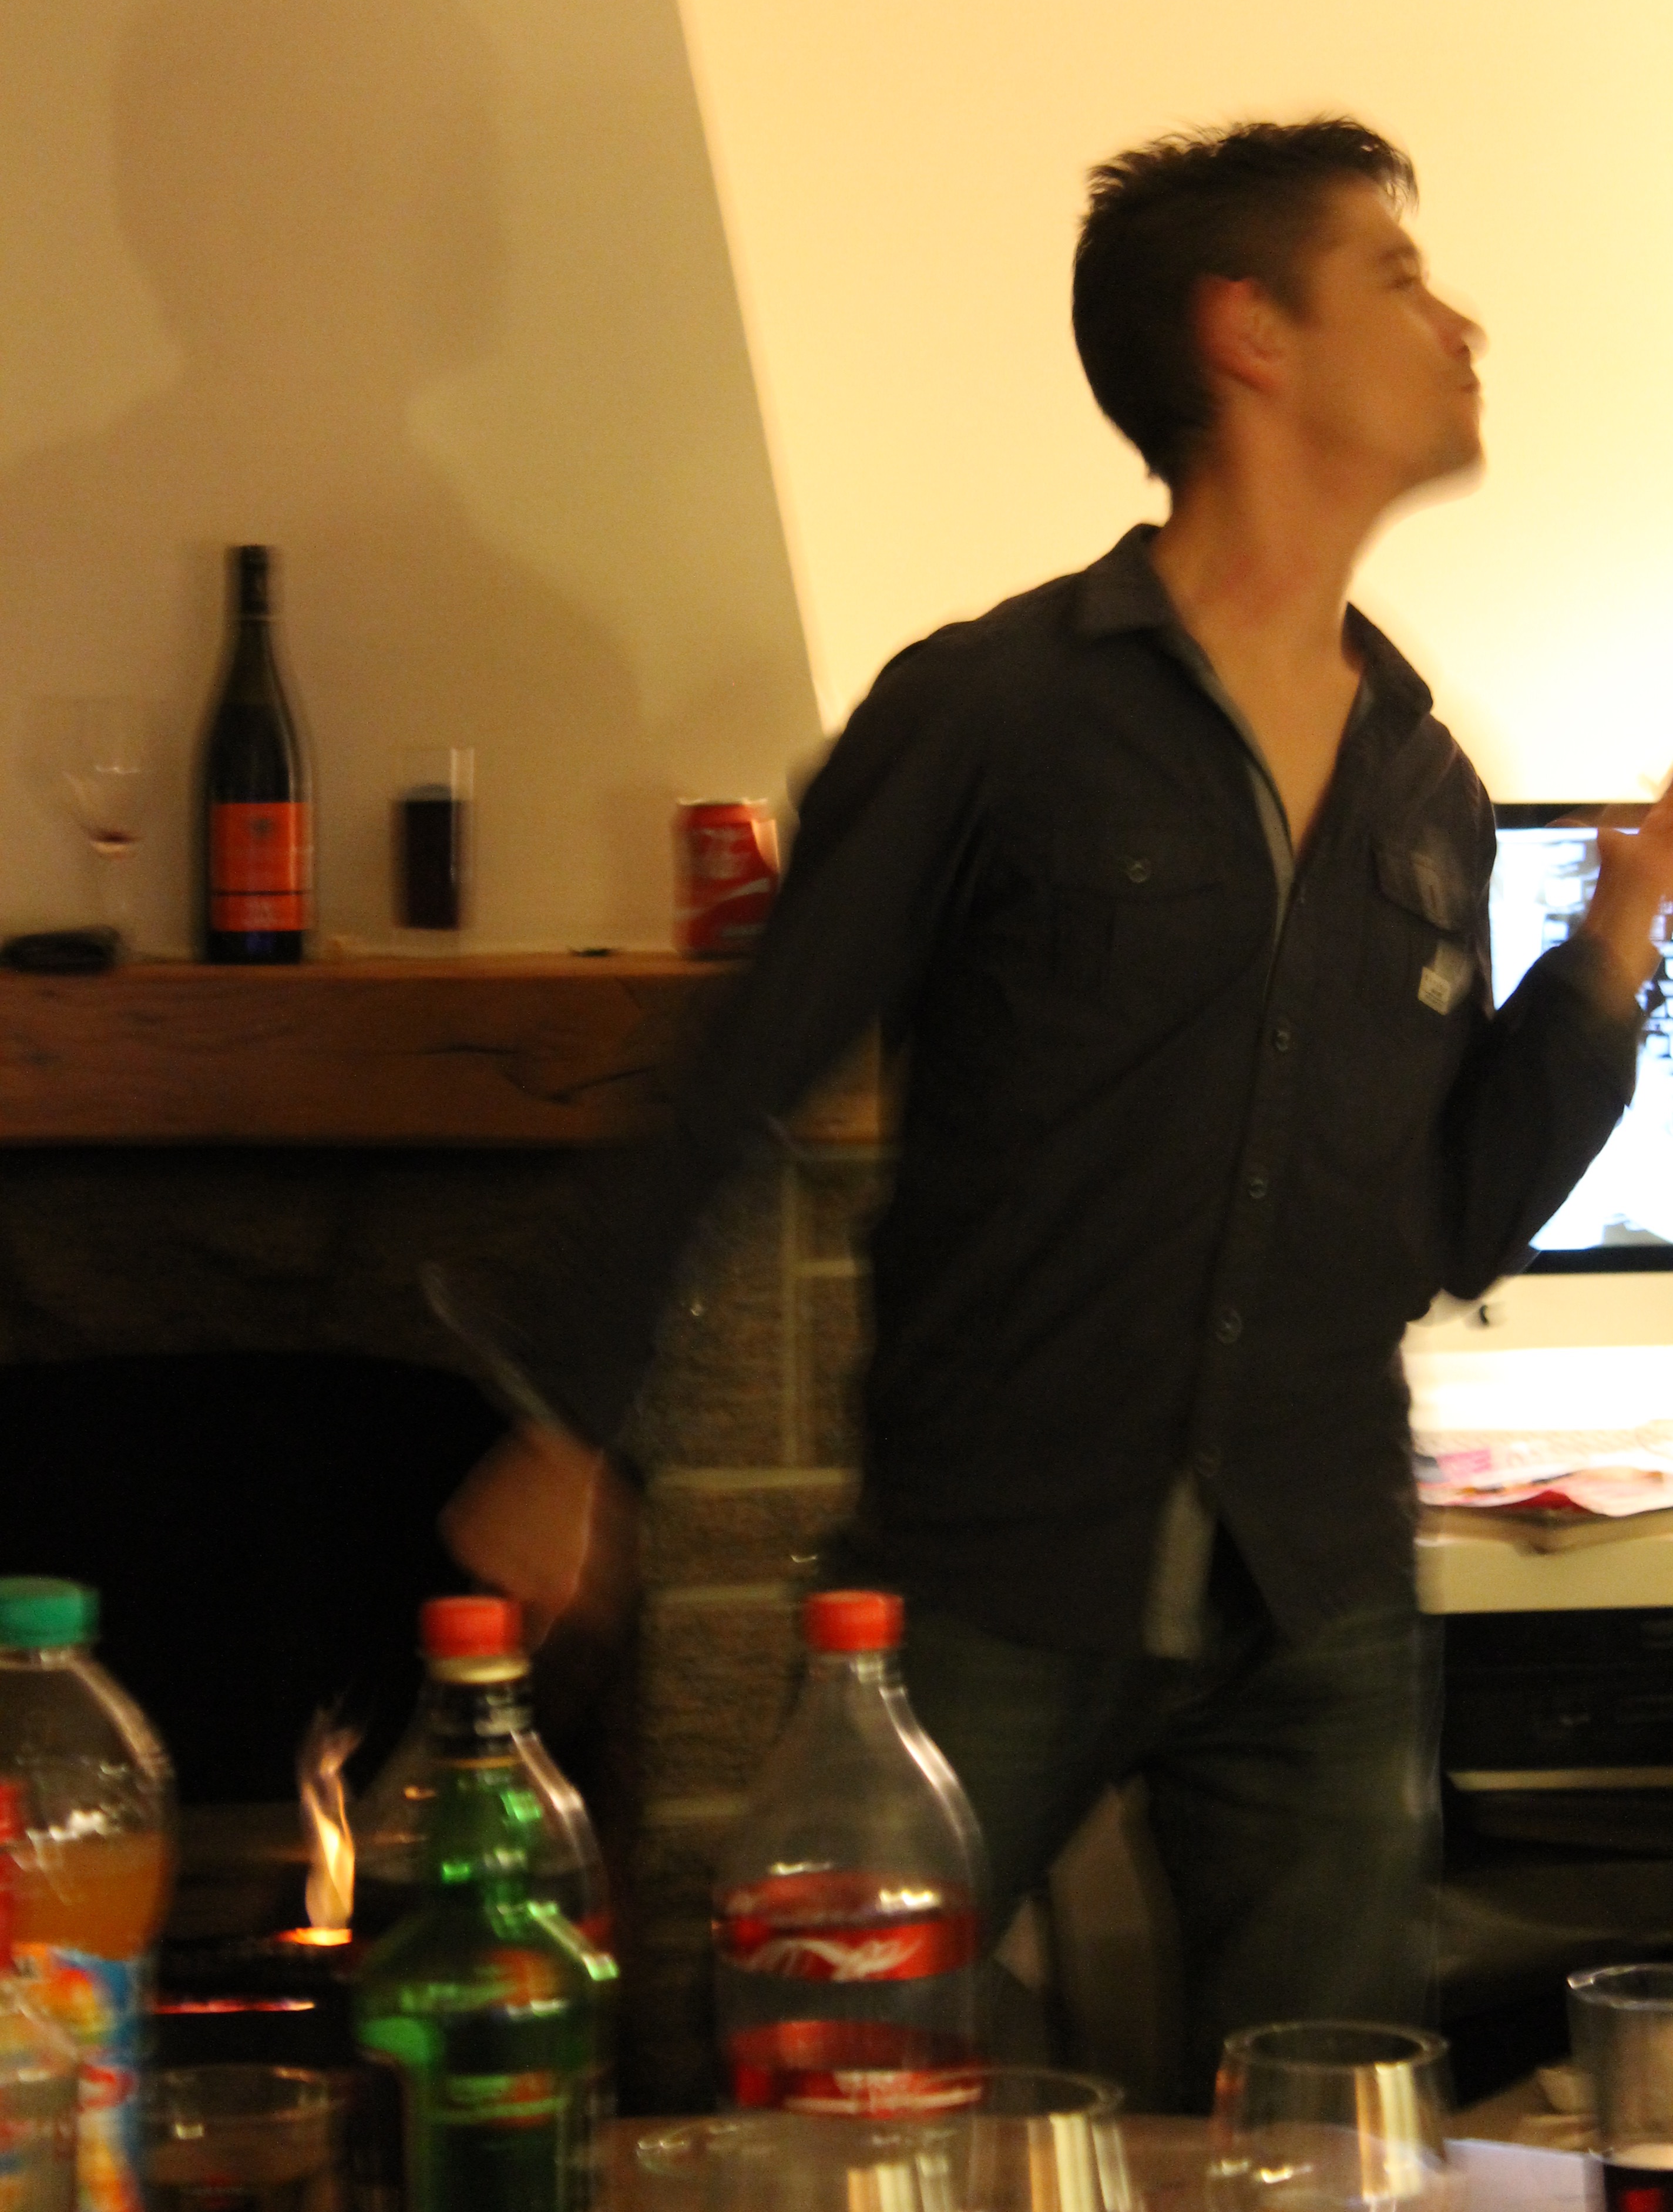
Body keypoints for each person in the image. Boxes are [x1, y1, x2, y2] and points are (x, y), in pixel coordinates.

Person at [431, 117, 1673, 2102]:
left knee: (1336, 2135)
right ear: (1246, 333)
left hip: (1319, 1593)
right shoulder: (994, 711)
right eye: (1396, 279)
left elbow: (1438, 1229)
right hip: (988, 1578)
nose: (1461, 325)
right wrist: (568, 1419)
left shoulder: (1425, 788)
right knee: (814, 2087)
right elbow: (742, 1066)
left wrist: (1613, 945)